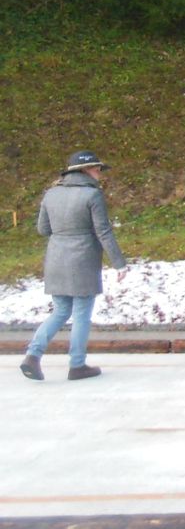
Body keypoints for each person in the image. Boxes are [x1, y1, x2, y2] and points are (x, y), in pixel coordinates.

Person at [20, 150, 127, 382]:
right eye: (97, 169)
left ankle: (32, 355)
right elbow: (103, 231)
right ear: (85, 170)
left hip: (55, 260)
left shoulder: (51, 193)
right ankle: (77, 365)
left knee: (60, 311)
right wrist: (119, 264)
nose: (99, 173)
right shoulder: (92, 195)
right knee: (81, 315)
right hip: (83, 261)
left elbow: (43, 229)